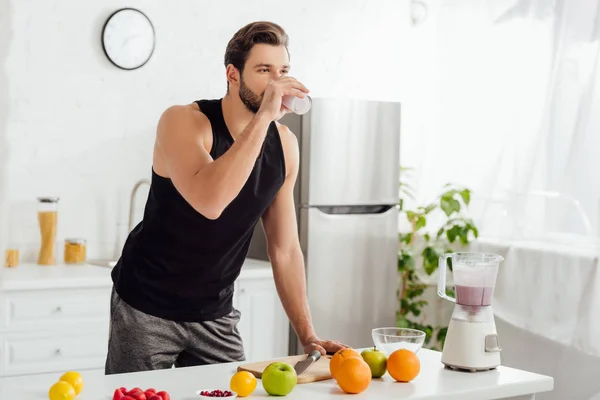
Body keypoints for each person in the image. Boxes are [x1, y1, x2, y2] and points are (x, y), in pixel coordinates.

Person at [105, 21, 346, 374]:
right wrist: (264, 116)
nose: (276, 82)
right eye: (264, 70)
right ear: (233, 75)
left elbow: (285, 248)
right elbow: (210, 202)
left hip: (216, 315)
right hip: (146, 308)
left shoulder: (285, 147)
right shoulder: (183, 122)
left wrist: (307, 335)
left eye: (283, 71)